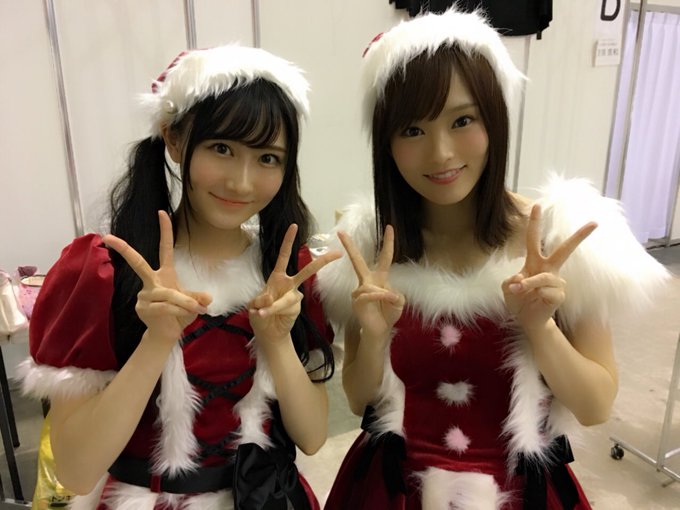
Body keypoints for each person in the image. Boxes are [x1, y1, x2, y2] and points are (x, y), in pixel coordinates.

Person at [317, 9, 670, 509]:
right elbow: (357, 399)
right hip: (391, 488)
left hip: (522, 492)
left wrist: (541, 328)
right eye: (412, 130)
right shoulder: (373, 245)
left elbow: (595, 406)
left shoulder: (559, 238)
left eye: (462, 120)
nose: (441, 153)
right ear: (386, 143)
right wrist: (373, 337)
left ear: (494, 120)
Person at [18, 45, 340, 509]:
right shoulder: (107, 272)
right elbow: (75, 470)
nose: (242, 182)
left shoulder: (288, 275)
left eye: (267, 158)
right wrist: (157, 340)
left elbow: (311, 438)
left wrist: (275, 340)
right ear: (173, 139)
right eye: (222, 148)